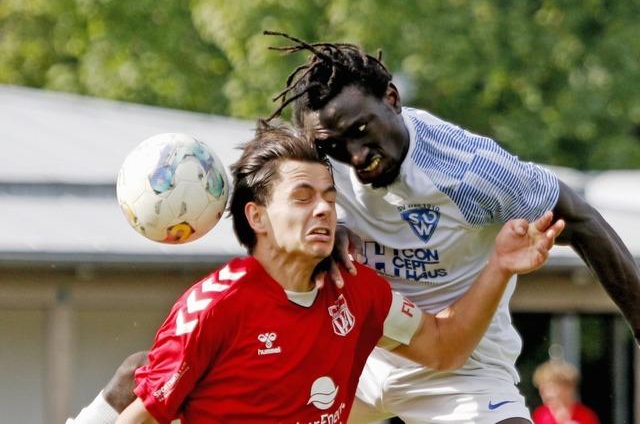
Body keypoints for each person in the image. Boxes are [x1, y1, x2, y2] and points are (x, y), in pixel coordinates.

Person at [263, 31, 640, 423]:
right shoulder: (317, 160)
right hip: (352, 355)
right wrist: (324, 230)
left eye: (361, 131)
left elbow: (583, 220)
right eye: (337, 146)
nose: (356, 158)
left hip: (460, 371)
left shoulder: (470, 172)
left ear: (392, 99)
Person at [96, 122, 564, 423]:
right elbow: (139, 419)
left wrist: (500, 265)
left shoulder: (357, 290)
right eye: (303, 197)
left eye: (329, 196)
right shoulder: (215, 306)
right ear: (257, 217)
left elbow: (446, 347)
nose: (323, 209)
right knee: (133, 374)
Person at [531, 360, 599, 424]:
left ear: (568, 388)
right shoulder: (539, 416)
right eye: (541, 388)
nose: (544, 394)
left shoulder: (586, 416)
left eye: (549, 388)